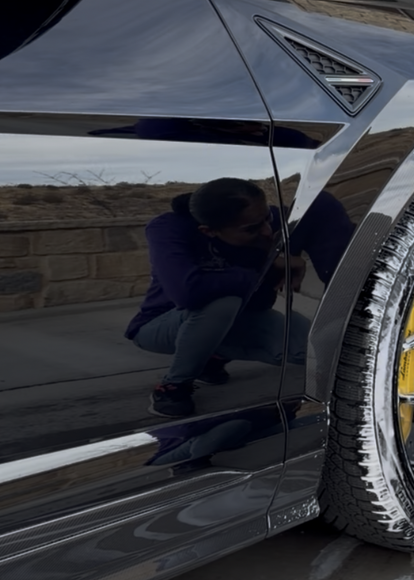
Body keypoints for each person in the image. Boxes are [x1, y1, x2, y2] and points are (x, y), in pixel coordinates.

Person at [125, 177, 307, 418]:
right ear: (208, 231)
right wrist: (259, 270)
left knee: (315, 349)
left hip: (227, 319)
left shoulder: (254, 223)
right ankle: (172, 387)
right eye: (252, 228)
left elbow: (260, 303)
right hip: (159, 326)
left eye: (267, 219)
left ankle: (213, 355)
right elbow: (187, 293)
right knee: (223, 300)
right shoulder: (169, 228)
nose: (265, 230)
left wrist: (269, 258)